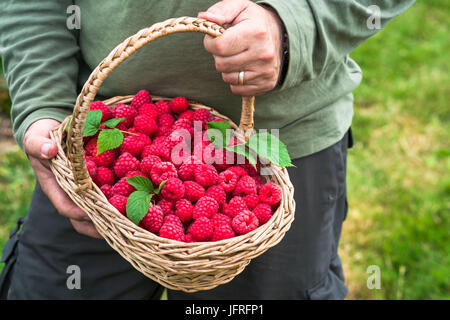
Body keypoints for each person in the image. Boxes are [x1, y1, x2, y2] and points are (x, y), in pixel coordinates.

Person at [0, 0, 414, 299]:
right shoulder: (117, 158)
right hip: (96, 150)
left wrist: (296, 24)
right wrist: (42, 104)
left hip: (273, 150)